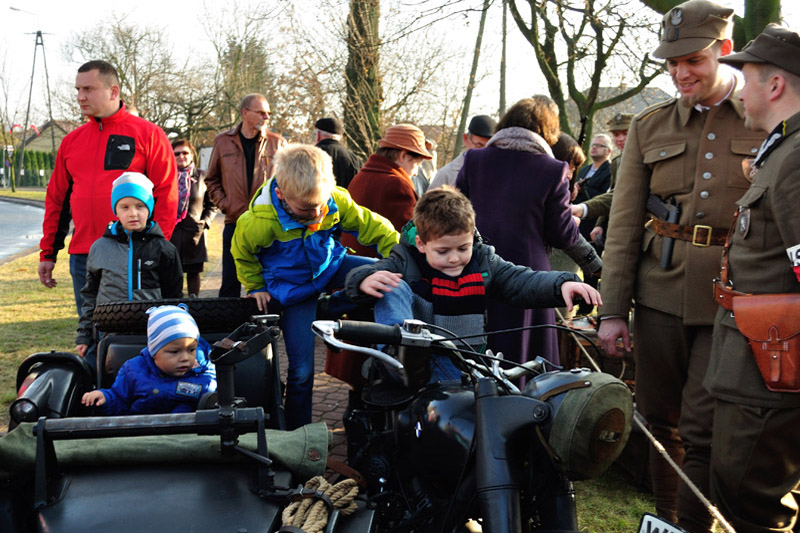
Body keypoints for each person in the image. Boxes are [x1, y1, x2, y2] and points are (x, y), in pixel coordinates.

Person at [595, 1, 765, 530]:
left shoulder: (767, 119)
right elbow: (623, 226)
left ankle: (695, 525)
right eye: (671, 62)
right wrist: (613, 311)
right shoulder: (650, 126)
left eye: (692, 60)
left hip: (733, 302)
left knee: (706, 426)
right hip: (659, 295)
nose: (679, 73)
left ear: (725, 51)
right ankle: (665, 522)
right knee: (657, 420)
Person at [344, 187, 602, 380]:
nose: (455, 258)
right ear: (422, 244)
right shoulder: (404, 259)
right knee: (392, 285)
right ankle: (396, 348)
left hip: (466, 358)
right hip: (416, 358)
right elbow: (363, 276)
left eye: (463, 248)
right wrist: (363, 280)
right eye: (443, 251)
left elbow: (520, 279)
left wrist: (563, 284)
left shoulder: (482, 260)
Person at [705, 24, 800, 532]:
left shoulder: (796, 159)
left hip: (771, 373)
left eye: (748, 79)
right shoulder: (781, 152)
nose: (739, 91)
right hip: (756, 363)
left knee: (752, 505)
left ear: (776, 85)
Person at [231, 144, 399, 429]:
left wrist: (397, 254)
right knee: (301, 371)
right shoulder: (257, 222)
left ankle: (331, 308)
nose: (318, 216)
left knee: (385, 277)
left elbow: (373, 226)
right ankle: (301, 432)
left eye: (321, 207)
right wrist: (256, 285)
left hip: (330, 266)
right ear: (282, 195)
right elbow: (242, 253)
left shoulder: (334, 200)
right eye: (307, 211)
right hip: (293, 290)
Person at [456, 96, 602, 366]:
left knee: (477, 356)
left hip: (474, 267)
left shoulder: (475, 159)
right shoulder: (552, 169)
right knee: (526, 360)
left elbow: (455, 214)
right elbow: (563, 232)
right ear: (548, 133)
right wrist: (595, 264)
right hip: (528, 272)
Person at [38, 60, 178, 316]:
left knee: (138, 332)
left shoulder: (149, 135)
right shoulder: (71, 142)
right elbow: (57, 200)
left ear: (113, 91)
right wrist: (48, 253)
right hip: (84, 257)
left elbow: (167, 197)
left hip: (133, 254)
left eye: (88, 89)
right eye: (78, 89)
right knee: (91, 333)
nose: (81, 97)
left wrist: (155, 247)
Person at [75, 173, 183, 373]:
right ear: (115, 209)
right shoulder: (99, 248)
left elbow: (174, 297)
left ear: (149, 208)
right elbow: (89, 296)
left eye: (140, 206)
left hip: (151, 337)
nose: (133, 213)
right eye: (125, 207)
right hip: (109, 338)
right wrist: (84, 336)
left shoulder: (165, 250)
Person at [205, 93, 287, 298]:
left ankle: (268, 325)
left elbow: (287, 183)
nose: (266, 117)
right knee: (230, 282)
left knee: (268, 281)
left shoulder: (278, 143)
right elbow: (211, 179)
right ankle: (227, 327)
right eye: (261, 112)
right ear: (244, 113)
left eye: (268, 113)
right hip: (235, 221)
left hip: (269, 223)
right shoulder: (223, 141)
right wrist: (226, 204)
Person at [82, 304, 215, 415]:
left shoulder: (203, 370)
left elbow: (208, 391)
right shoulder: (133, 369)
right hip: (141, 433)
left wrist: (160, 389)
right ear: (154, 351)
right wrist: (105, 397)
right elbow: (120, 400)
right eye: (174, 352)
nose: (185, 358)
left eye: (191, 350)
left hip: (187, 436)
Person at [341, 124, 433, 258]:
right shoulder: (397, 185)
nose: (415, 173)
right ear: (403, 156)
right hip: (381, 270)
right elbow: (412, 240)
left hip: (352, 263)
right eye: (417, 165)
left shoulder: (361, 177)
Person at [170, 139, 218, 297]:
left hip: (194, 233)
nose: (181, 156)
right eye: (176, 153)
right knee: (172, 274)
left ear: (192, 155)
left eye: (185, 153)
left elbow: (212, 204)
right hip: (171, 233)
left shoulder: (203, 176)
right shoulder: (165, 176)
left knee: (193, 273)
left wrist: (205, 222)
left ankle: (194, 305)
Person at [429, 115, 495, 190]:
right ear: (466, 139)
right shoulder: (446, 175)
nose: (484, 152)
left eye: (489, 148)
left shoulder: (498, 174)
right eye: (479, 146)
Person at [314, 117, 363, 189]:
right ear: (340, 137)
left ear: (318, 135)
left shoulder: (312, 155)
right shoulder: (355, 159)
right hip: (348, 199)